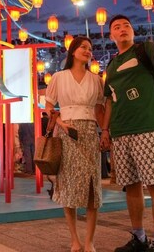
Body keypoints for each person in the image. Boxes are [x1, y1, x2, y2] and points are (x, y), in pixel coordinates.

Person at [101, 0, 154, 252]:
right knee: (131, 186)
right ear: (111, 35)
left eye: (126, 25)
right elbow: (109, 100)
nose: (122, 29)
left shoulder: (144, 51)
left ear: (132, 31)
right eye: (117, 27)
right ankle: (139, 237)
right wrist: (105, 130)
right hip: (121, 133)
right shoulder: (110, 66)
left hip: (149, 127)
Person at [45, 36, 105, 252]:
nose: (88, 51)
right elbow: (49, 105)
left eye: (90, 49)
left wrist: (105, 131)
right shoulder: (59, 77)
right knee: (68, 184)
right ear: (72, 51)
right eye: (83, 47)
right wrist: (60, 123)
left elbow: (100, 110)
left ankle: (89, 241)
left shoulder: (96, 79)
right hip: (66, 132)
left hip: (89, 131)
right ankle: (75, 240)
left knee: (92, 187)